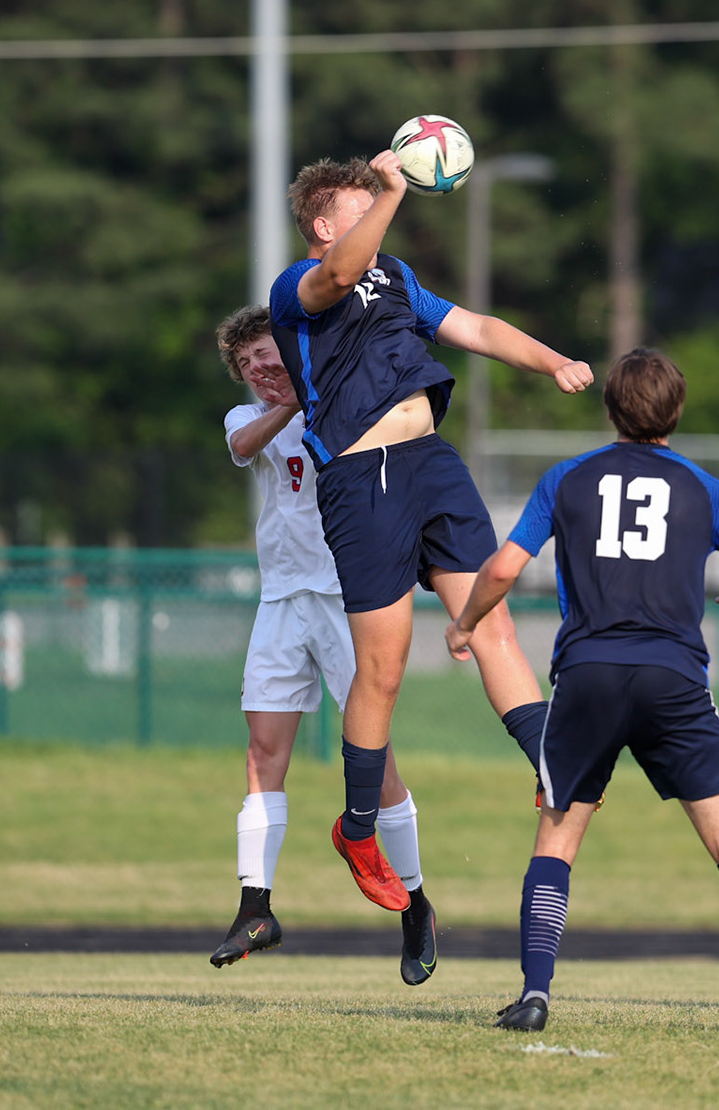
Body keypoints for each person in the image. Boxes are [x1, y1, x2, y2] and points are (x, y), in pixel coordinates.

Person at [446, 348, 719, 1035]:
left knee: (558, 839)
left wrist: (466, 622)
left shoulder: (566, 479)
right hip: (672, 678)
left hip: (588, 675)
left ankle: (536, 994)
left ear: (609, 408)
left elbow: (506, 566)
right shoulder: (703, 488)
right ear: (677, 412)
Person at [269, 152, 593, 912]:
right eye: (361, 205)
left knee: (492, 622)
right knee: (383, 670)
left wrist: (552, 361)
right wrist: (392, 191)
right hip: (362, 479)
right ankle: (357, 827)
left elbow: (473, 325)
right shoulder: (297, 286)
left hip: (430, 465)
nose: (379, 211)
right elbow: (339, 276)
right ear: (323, 224)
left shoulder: (398, 276)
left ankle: (552, 764)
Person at [208, 305, 437, 984]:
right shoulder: (248, 417)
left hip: (350, 598)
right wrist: (285, 401)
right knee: (262, 752)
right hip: (282, 601)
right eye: (246, 364)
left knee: (376, 756)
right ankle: (256, 907)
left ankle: (415, 903)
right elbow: (244, 445)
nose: (257, 369)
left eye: (266, 355)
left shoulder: (343, 400)